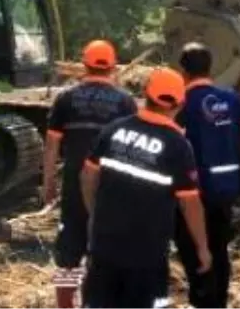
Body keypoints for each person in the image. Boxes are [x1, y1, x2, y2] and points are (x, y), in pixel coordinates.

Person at [80, 68, 212, 309]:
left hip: (104, 245)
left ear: (145, 95)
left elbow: (88, 176)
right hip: (146, 255)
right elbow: (190, 203)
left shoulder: (114, 129)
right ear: (179, 104)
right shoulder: (178, 146)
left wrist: (94, 214)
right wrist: (202, 248)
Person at [43, 39, 137, 309]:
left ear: (83, 66)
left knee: (69, 252)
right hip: (111, 189)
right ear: (113, 68)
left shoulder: (66, 98)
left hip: (74, 185)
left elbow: (52, 146)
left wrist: (48, 183)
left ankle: (66, 307)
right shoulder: (125, 102)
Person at [171, 42, 240, 309]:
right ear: (210, 67)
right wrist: (238, 158)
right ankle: (219, 302)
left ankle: (203, 301)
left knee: (195, 249)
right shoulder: (231, 98)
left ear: (183, 71)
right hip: (227, 187)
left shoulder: (183, 104)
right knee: (219, 249)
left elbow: (172, 139)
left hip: (195, 191)